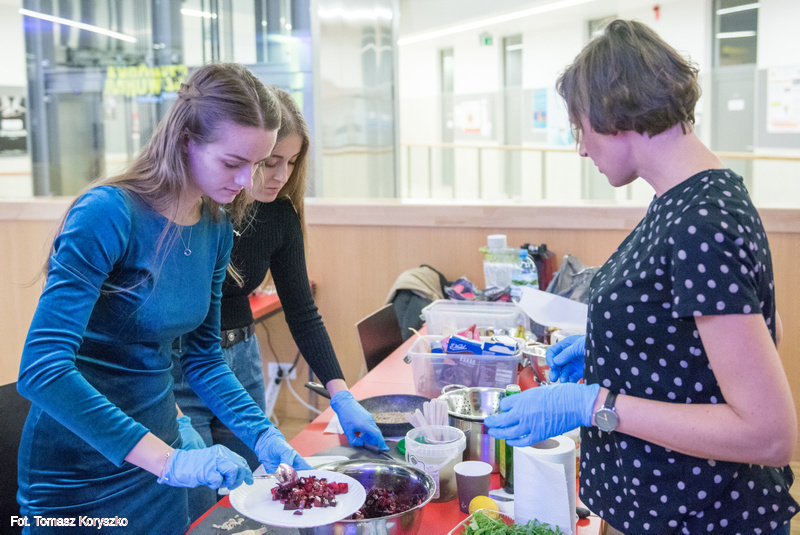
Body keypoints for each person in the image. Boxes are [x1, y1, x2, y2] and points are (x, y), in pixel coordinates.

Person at [484, 20, 797, 534]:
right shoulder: (687, 200)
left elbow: (769, 435)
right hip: (667, 506)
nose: (581, 148)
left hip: (703, 515)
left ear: (615, 112)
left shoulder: (701, 221)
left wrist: (595, 403)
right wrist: (620, 351)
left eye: (580, 128)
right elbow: (762, 328)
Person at [17, 63, 312, 534]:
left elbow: (204, 359)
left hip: (161, 457)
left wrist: (263, 434)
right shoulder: (109, 213)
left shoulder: (215, 226)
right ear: (186, 140)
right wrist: (169, 462)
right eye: (232, 162)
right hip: (80, 470)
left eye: (257, 164)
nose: (246, 181)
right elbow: (42, 370)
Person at [172, 87, 387, 520]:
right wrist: (172, 415)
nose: (281, 176)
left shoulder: (278, 215)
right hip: (180, 366)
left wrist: (341, 395)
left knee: (248, 501)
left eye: (291, 162)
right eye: (270, 163)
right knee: (196, 506)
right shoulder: (198, 214)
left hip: (236, 361)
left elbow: (302, 312)